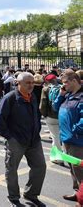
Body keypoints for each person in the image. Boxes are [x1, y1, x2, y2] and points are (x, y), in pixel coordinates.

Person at [0, 72, 46, 207]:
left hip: (34, 140)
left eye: (32, 83)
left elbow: (36, 115)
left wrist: (37, 130)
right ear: (18, 83)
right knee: (11, 169)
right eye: (27, 83)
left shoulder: (33, 96)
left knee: (40, 167)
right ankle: (13, 198)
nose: (31, 86)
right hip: (16, 140)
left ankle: (31, 194)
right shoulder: (10, 98)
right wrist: (9, 137)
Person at [53, 70, 83, 202]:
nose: (63, 86)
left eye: (65, 83)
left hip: (77, 140)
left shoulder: (81, 97)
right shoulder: (67, 95)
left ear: (74, 81)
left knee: (80, 170)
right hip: (66, 138)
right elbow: (55, 107)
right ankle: (77, 193)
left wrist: (74, 130)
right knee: (72, 168)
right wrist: (60, 95)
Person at [39, 74, 63, 164]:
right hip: (62, 115)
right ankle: (56, 156)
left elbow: (43, 104)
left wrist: (44, 115)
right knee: (60, 137)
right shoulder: (63, 88)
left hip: (51, 116)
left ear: (47, 81)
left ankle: (59, 158)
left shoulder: (46, 89)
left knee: (55, 137)